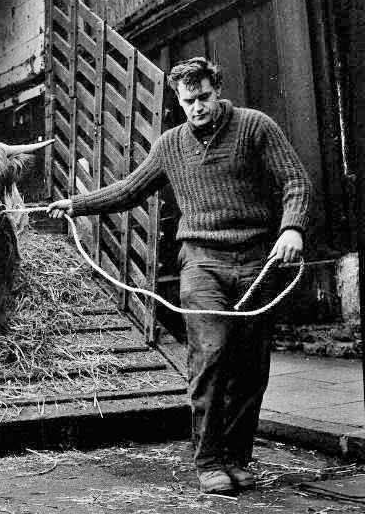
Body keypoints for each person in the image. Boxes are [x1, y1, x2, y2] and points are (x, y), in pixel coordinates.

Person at [48, 57, 311, 494]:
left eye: (204, 97)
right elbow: (131, 189)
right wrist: (77, 204)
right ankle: (209, 461)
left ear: (218, 89)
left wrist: (292, 229)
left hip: (256, 259)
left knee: (250, 366)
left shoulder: (255, 127)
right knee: (210, 357)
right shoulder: (170, 144)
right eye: (188, 101)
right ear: (178, 99)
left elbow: (295, 182)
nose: (197, 108)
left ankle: (238, 457)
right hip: (201, 260)